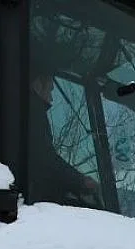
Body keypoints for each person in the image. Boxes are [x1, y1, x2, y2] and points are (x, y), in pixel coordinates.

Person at [28, 69, 98, 205]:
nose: (51, 98)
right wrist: (81, 181)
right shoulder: (32, 113)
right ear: (37, 84)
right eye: (50, 90)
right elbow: (45, 159)